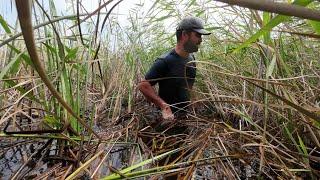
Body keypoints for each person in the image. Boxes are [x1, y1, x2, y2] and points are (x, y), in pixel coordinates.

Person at [138, 16, 211, 124]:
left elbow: (187, 86)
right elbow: (143, 85)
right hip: (168, 120)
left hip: (185, 117)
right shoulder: (165, 61)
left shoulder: (192, 59)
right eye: (198, 35)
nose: (200, 40)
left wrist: (192, 101)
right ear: (184, 35)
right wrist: (164, 106)